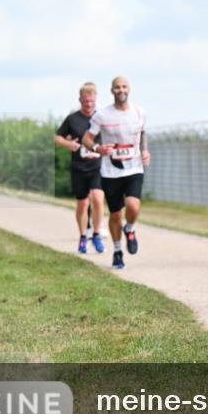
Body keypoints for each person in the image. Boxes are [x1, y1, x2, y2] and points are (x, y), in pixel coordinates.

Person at [83, 77, 150, 270]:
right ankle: (118, 251)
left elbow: (143, 133)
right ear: (112, 90)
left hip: (134, 167)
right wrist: (97, 148)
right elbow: (86, 139)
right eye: (117, 87)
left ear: (129, 89)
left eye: (124, 86)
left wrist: (145, 151)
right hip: (110, 171)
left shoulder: (140, 112)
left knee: (133, 205)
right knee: (114, 215)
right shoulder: (102, 115)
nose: (121, 90)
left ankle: (130, 229)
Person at [56, 82, 106, 254]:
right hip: (79, 167)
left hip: (97, 166)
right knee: (83, 203)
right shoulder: (73, 119)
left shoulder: (101, 117)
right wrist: (69, 144)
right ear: (80, 100)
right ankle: (83, 236)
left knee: (98, 198)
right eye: (85, 101)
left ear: (96, 99)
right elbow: (57, 138)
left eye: (91, 101)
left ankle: (97, 235)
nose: (89, 104)